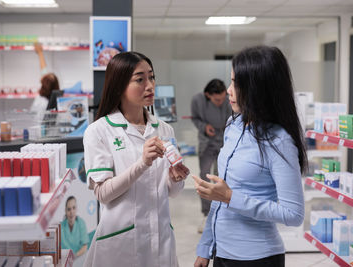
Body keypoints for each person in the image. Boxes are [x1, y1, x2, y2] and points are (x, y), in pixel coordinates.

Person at [192, 46, 307, 267]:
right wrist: (205, 247)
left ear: (258, 88)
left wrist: (230, 198)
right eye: (231, 80)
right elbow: (221, 193)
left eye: (236, 83)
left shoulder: (279, 140)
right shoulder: (234, 124)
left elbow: (293, 214)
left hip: (258, 258)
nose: (228, 90)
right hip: (222, 253)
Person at [83, 51, 190, 267]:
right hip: (120, 243)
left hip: (160, 240)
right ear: (119, 84)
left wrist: (175, 178)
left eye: (151, 77)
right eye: (140, 79)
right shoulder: (99, 131)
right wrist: (142, 164)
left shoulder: (164, 129)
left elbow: (172, 193)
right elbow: (103, 193)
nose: (149, 85)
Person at [191, 78, 232, 233]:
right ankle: (207, 214)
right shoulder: (197, 100)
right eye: (217, 100)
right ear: (208, 95)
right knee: (204, 176)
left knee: (221, 178)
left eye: (223, 99)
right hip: (207, 143)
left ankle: (223, 214)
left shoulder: (229, 101)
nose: (220, 102)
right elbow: (195, 119)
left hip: (224, 143)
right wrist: (204, 127)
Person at [30, 43, 60, 118]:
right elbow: (44, 72)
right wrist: (40, 53)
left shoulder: (40, 101)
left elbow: (44, 72)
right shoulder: (55, 101)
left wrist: (40, 53)